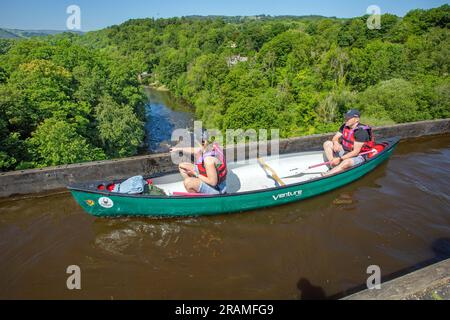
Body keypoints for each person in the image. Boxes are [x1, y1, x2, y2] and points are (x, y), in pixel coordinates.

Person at [322, 109, 375, 176]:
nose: (346, 119)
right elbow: (335, 138)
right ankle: (333, 164)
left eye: (349, 118)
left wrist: (340, 158)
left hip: (358, 156)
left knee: (346, 162)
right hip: (345, 150)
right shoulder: (344, 126)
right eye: (346, 117)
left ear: (356, 119)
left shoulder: (361, 131)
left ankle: (327, 175)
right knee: (327, 143)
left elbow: (355, 152)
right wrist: (336, 143)